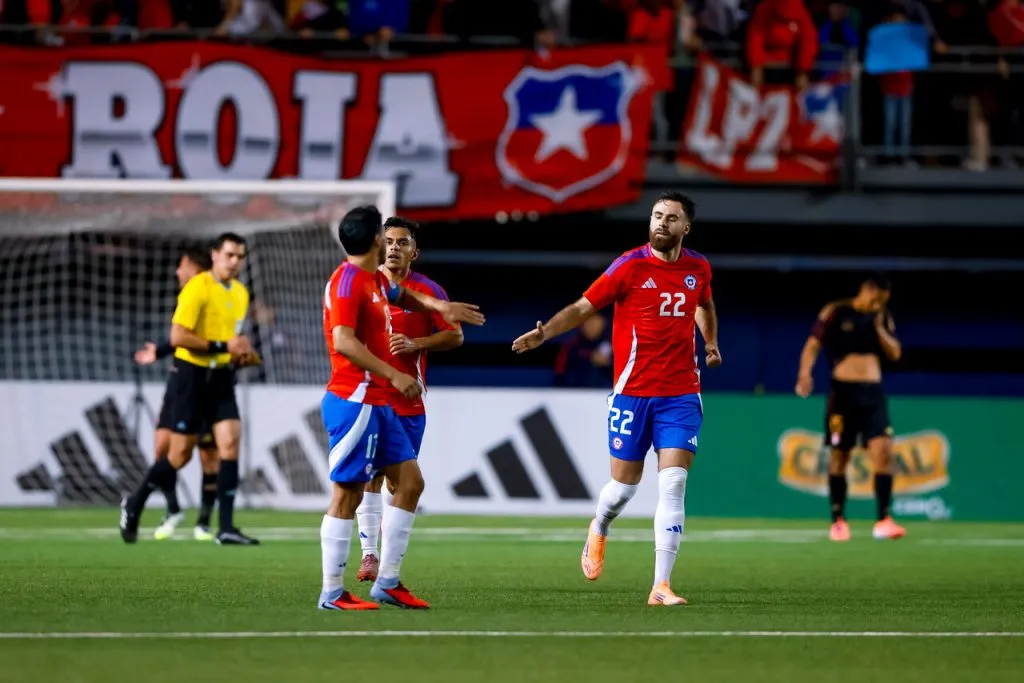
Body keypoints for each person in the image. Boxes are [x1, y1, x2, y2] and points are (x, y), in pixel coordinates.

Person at [512, 191, 721, 607]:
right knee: (624, 488)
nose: (661, 222)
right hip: (631, 395)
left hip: (680, 393)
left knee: (674, 485)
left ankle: (661, 586)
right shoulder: (629, 266)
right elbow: (582, 307)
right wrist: (545, 333)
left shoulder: (698, 267)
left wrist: (711, 343)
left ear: (686, 227)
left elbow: (705, 304)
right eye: (656, 215)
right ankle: (600, 524)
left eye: (671, 218)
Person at [318, 206, 484, 611]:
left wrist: (440, 309)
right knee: (349, 493)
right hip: (355, 398)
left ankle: (388, 582)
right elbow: (343, 340)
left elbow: (401, 294)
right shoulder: (346, 282)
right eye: (384, 236)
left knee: (410, 484)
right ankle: (332, 592)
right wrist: (392, 375)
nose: (390, 244)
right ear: (375, 240)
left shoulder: (372, 279)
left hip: (380, 404)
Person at [120, 233, 260, 546]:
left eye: (239, 256)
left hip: (221, 377)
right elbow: (179, 336)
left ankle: (225, 527)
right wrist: (225, 345)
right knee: (179, 455)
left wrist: (242, 355)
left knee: (230, 444)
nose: (234, 261)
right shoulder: (198, 287)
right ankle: (136, 501)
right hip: (190, 376)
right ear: (215, 255)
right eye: (229, 255)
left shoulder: (240, 293)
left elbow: (232, 342)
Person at [354, 216, 464, 583]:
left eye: (403, 242)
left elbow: (455, 336)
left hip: (409, 402)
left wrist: (418, 343)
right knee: (369, 477)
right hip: (370, 396)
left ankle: (386, 559)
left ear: (415, 252)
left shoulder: (429, 291)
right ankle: (370, 557)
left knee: (400, 484)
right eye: (389, 240)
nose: (395, 247)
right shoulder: (365, 286)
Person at [795, 273, 905, 542]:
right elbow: (813, 345)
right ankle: (838, 521)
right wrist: (805, 373)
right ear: (867, 290)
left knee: (884, 452)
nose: (878, 304)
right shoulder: (836, 311)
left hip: (872, 395)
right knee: (839, 455)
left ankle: (883, 520)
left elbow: (895, 353)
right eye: (876, 298)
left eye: (883, 301)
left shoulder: (882, 317)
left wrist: (879, 327)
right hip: (842, 395)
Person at [132, 246, 220, 541]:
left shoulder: (208, 293)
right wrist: (160, 351)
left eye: (181, 265)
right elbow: (181, 336)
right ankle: (172, 509)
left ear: (193, 267)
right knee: (161, 450)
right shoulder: (191, 294)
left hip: (204, 381)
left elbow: (194, 337)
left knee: (207, 455)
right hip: (179, 380)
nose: (176, 271)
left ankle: (205, 522)